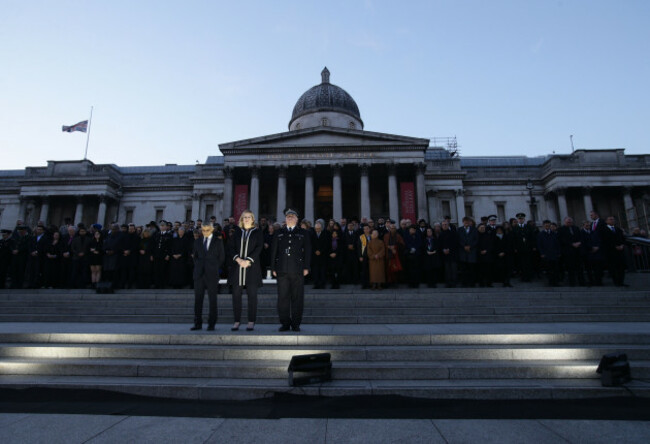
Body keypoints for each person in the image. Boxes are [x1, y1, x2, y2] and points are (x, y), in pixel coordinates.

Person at [270, 208, 311, 332]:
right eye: (288, 216)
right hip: (282, 269)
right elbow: (274, 251)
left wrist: (307, 267)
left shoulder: (303, 233)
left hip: (297, 270)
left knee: (297, 298)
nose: (290, 218)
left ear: (297, 219)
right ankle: (285, 323)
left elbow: (308, 251)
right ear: (285, 219)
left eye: (293, 216)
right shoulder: (279, 232)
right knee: (282, 298)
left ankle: (296, 323)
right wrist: (273, 267)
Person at [227, 210, 263, 332]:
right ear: (241, 219)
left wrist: (248, 260)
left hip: (252, 268)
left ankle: (251, 321)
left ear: (253, 219)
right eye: (245, 217)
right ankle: (236, 321)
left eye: (249, 217)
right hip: (237, 268)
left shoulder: (257, 232)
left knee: (252, 296)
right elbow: (230, 247)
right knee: (236, 296)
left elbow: (259, 247)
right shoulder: (237, 232)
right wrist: (238, 259)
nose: (247, 219)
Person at [191, 222, 225, 331]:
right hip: (199, 274)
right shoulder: (197, 241)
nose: (205, 232)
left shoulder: (218, 242)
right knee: (198, 299)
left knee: (212, 299)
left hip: (212, 274)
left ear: (211, 230)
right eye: (203, 230)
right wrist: (199, 266)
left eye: (207, 230)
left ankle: (211, 323)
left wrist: (213, 267)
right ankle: (197, 323)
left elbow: (221, 258)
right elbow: (195, 256)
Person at [601, 216, 627, 287]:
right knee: (613, 268)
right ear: (606, 221)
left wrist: (622, 245)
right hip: (610, 252)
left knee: (621, 267)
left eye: (613, 219)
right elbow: (604, 241)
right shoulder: (603, 230)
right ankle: (616, 282)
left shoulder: (618, 229)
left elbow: (623, 239)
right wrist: (614, 246)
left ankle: (621, 282)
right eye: (610, 219)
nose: (612, 220)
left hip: (620, 252)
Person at [537, 220, 561, 286]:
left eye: (548, 225)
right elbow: (539, 245)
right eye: (546, 225)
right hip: (546, 255)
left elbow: (557, 244)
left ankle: (556, 282)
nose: (547, 226)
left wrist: (558, 252)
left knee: (555, 269)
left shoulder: (554, 234)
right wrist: (542, 253)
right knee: (549, 269)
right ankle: (550, 282)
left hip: (554, 254)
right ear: (543, 226)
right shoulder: (540, 234)